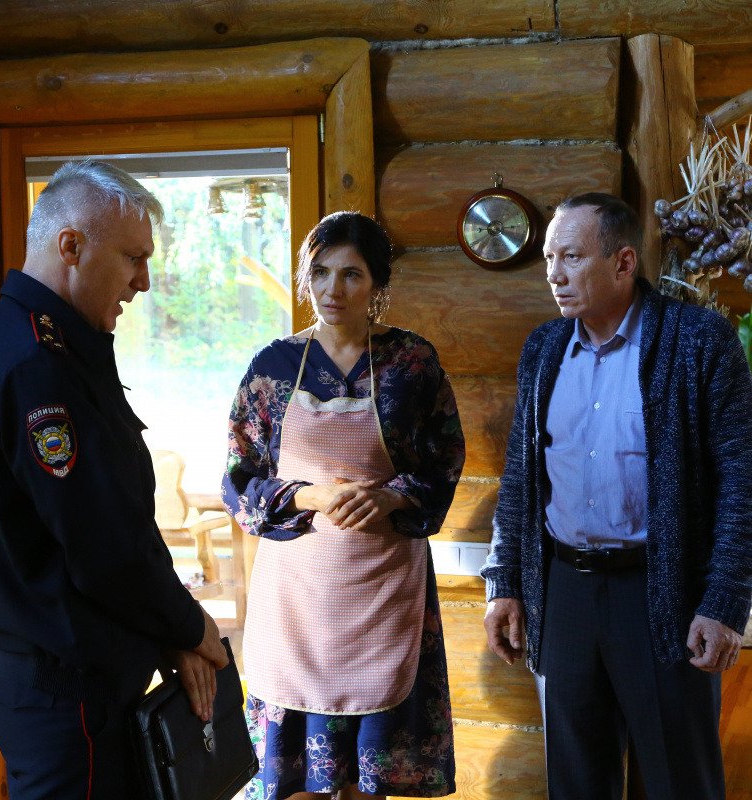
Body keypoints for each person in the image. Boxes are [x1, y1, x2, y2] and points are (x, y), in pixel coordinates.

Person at [0, 160, 228, 800]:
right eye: (134, 258)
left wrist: (169, 634)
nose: (144, 281)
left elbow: (118, 515)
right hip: (65, 692)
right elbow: (103, 547)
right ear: (71, 246)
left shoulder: (57, 348)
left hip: (88, 683)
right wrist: (189, 627)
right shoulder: (32, 364)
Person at [481, 192, 752, 799]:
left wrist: (725, 601)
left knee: (679, 781)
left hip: (663, 590)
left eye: (572, 257)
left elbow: (741, 478)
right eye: (549, 258)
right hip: (565, 593)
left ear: (623, 262)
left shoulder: (699, 340)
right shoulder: (544, 349)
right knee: (577, 782)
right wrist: (504, 582)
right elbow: (520, 479)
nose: (554, 275)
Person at [224, 211, 465, 799]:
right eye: (321, 273)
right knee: (298, 787)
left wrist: (390, 496)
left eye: (352, 274)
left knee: (365, 784)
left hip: (385, 594)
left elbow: (444, 460)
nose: (333, 289)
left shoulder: (413, 363)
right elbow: (238, 479)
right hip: (297, 600)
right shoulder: (273, 368)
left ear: (378, 284)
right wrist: (310, 495)